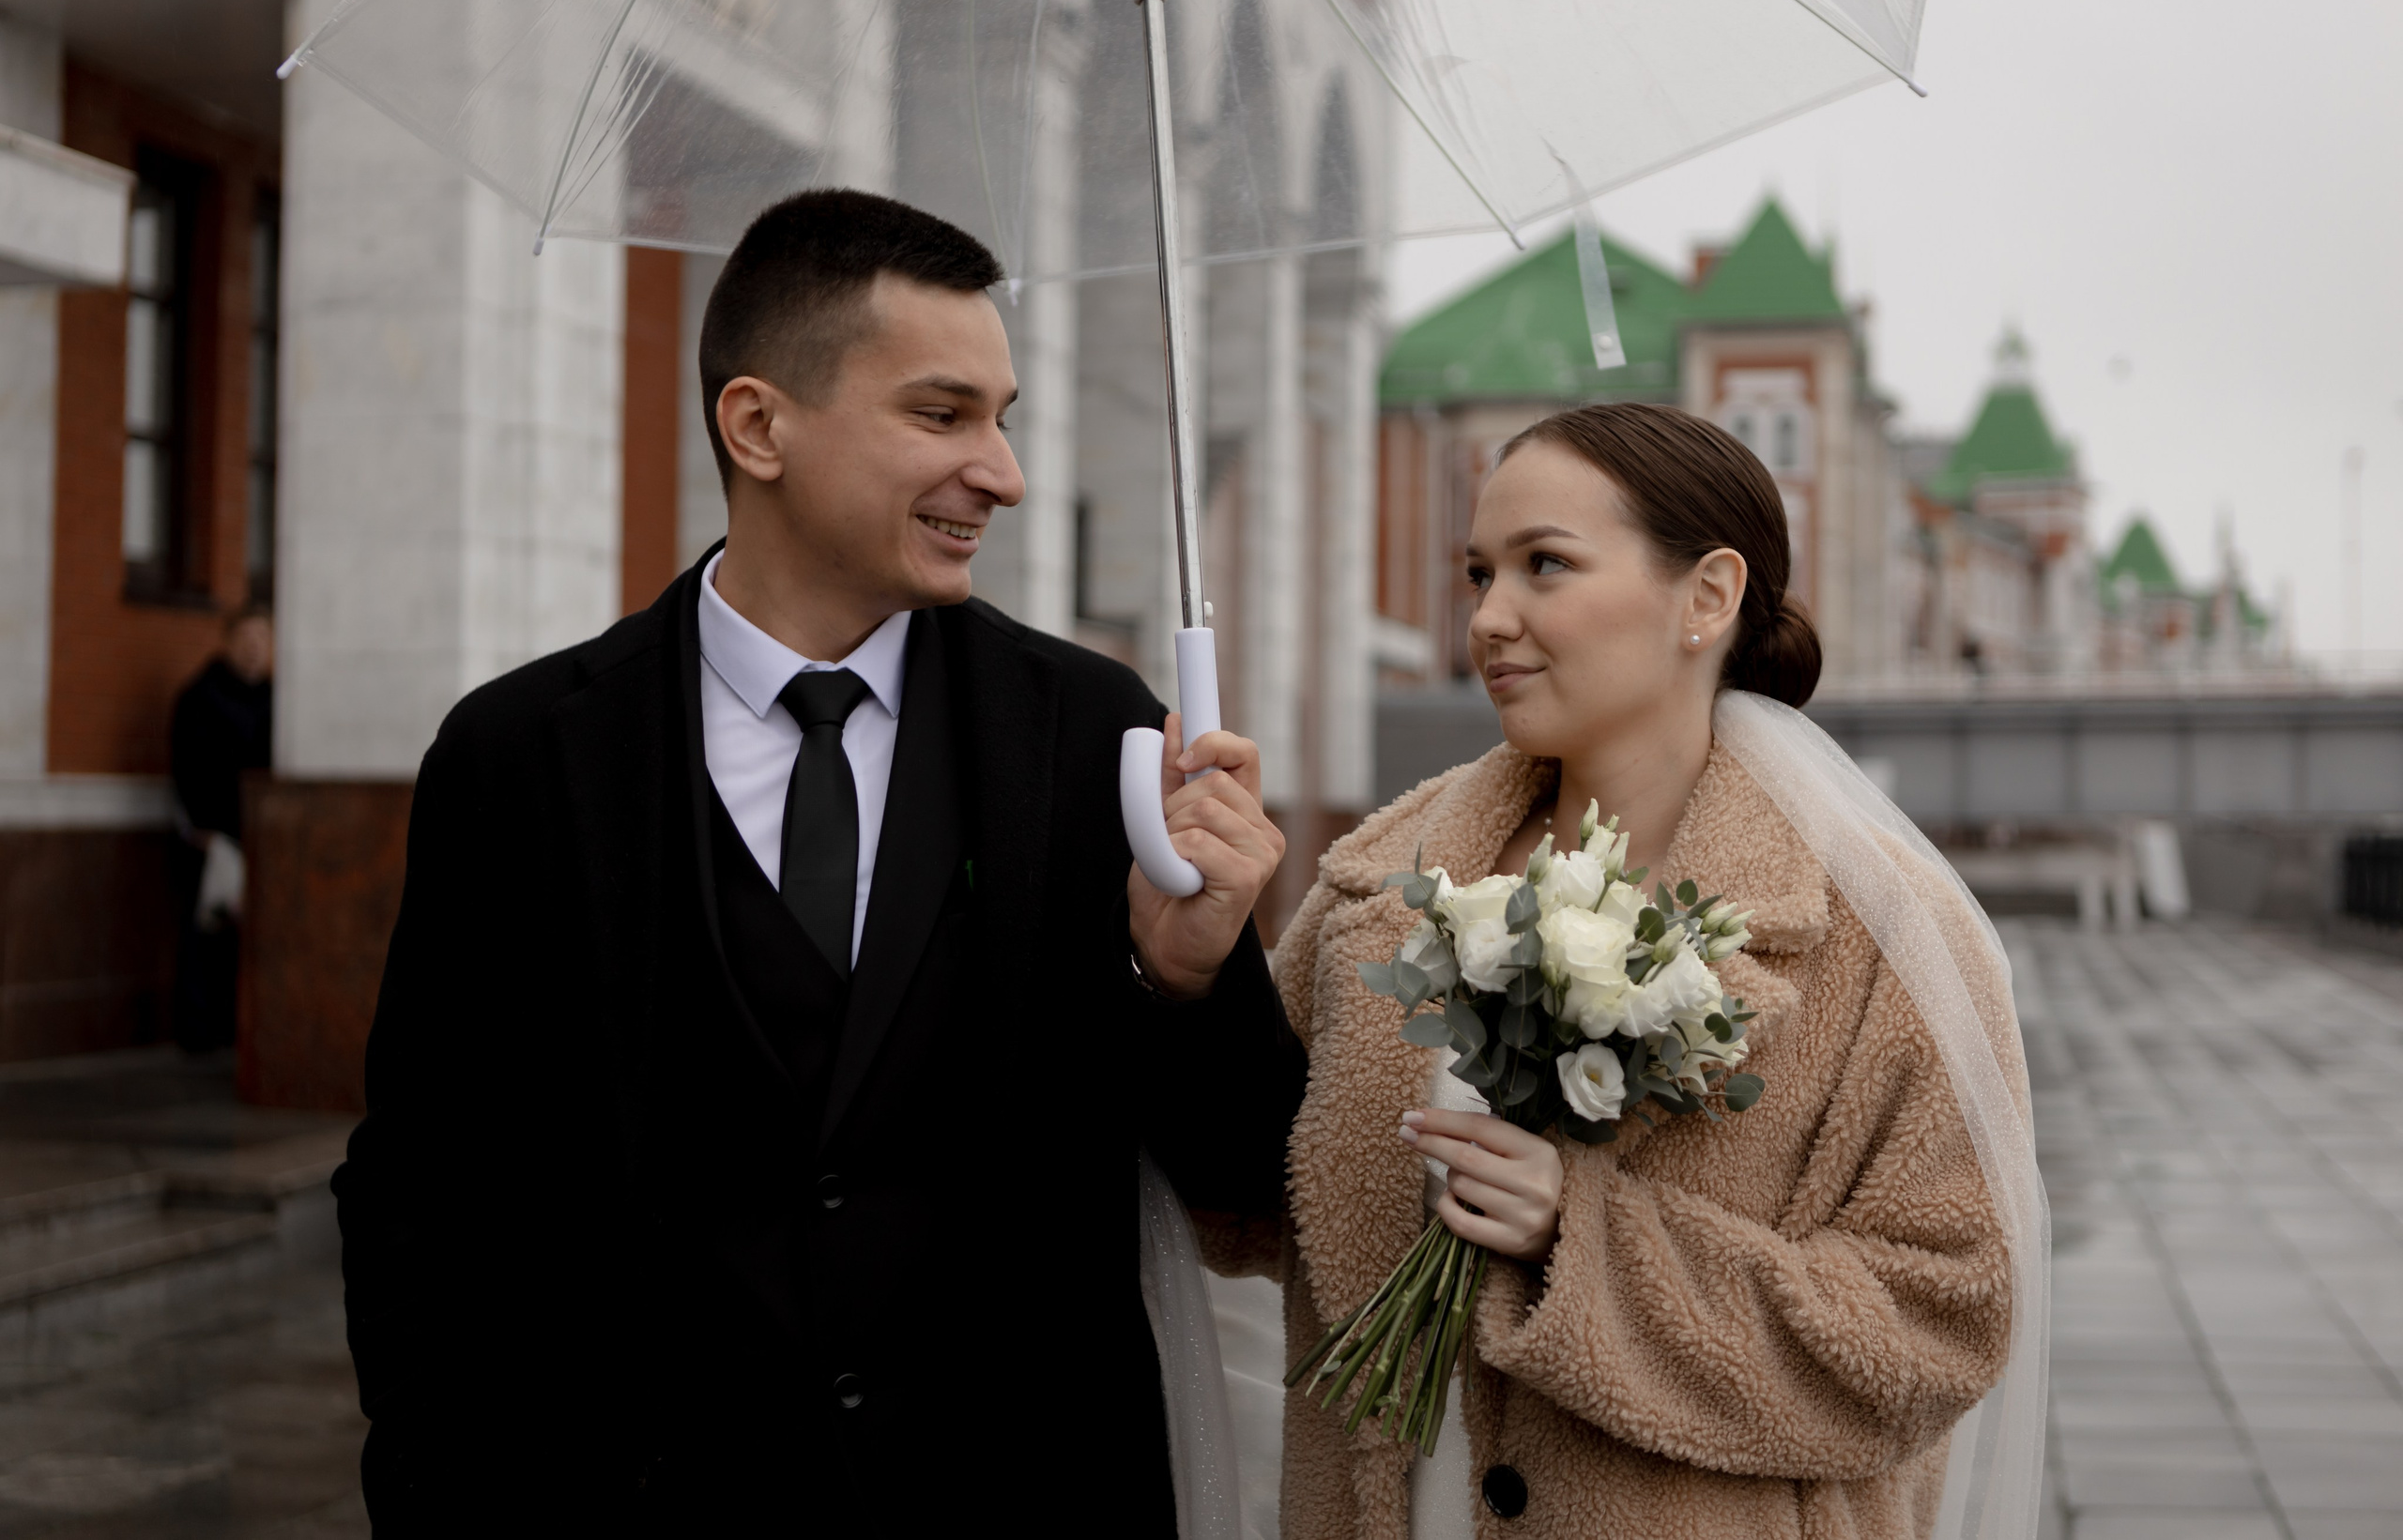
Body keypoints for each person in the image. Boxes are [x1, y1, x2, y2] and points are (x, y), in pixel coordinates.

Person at [334, 190, 1305, 1534]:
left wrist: (1184, 976)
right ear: (759, 423)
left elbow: (1249, 1171)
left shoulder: (1098, 735)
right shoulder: (520, 755)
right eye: (942, 412)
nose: (1005, 472)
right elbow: (422, 1185)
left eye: (1004, 418)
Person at [1253, 404, 2044, 1538]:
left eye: (1545, 565)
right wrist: (1187, 975)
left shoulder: (1885, 933)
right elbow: (1247, 1195)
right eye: (1479, 573)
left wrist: (1582, 1239)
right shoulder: (1381, 882)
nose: (1490, 617)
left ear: (1708, 598)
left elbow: (1942, 1318)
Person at [167, 602, 273, 1054]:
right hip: (212, 839)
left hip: (261, 837)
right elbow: (188, 768)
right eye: (246, 639)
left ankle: (237, 1027)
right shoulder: (200, 697)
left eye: (262, 639)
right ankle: (198, 1031)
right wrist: (206, 829)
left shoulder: (278, 698)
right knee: (204, 935)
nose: (254, 649)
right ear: (227, 641)